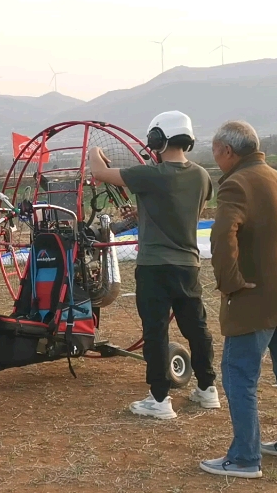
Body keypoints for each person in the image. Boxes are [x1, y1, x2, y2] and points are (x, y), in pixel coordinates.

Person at [87, 110, 219, 420]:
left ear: (157, 139)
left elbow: (99, 172)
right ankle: (208, 389)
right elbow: (184, 208)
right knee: (196, 328)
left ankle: (160, 400)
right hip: (188, 265)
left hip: (155, 267)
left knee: (156, 332)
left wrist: (95, 150)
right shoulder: (201, 175)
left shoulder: (151, 175)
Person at [200, 121, 277, 479]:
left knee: (238, 376)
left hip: (253, 299)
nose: (215, 157)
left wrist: (231, 283)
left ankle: (245, 457)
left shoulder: (236, 184)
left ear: (228, 152)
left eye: (216, 150)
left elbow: (222, 237)